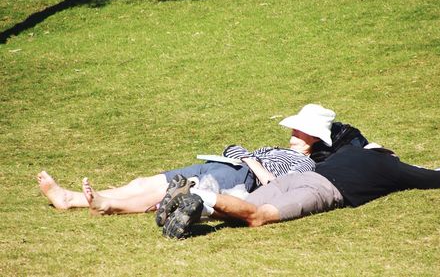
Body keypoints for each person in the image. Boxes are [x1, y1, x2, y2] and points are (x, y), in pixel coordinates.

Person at [37, 104, 337, 216]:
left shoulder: (305, 165)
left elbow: (275, 183)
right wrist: (247, 156)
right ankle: (70, 198)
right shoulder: (273, 149)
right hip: (223, 164)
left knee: (160, 194)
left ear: (314, 138)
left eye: (301, 129)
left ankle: (104, 203)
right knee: (145, 182)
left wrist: (250, 161)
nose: (295, 131)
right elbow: (233, 147)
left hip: (240, 177)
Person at [159, 145, 440, 238]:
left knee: (242, 208)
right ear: (389, 154)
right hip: (322, 189)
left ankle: (200, 204)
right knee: (257, 216)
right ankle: (202, 197)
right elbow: (433, 179)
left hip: (295, 178)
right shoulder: (389, 165)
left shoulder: (346, 153)